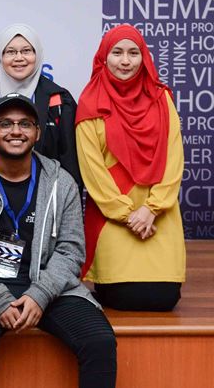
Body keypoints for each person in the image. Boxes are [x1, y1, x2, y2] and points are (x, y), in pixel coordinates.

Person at [0, 92, 117, 388]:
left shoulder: (61, 181)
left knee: (99, 342)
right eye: (5, 123)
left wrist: (40, 294)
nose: (15, 131)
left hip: (48, 285)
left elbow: (71, 250)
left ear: (37, 133)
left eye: (25, 124)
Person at [76, 24, 185, 311]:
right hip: (113, 216)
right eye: (117, 53)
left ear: (144, 57)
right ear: (104, 57)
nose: (125, 61)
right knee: (121, 296)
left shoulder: (162, 99)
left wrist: (151, 209)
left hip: (158, 215)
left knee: (164, 298)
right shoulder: (90, 102)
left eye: (133, 53)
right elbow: (93, 171)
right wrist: (127, 215)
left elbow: (174, 159)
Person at [0, 24, 82, 187]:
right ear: (0, 57)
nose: (19, 58)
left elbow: (71, 164)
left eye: (26, 51)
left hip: (45, 197)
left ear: (37, 55)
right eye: (10, 52)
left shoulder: (58, 100)